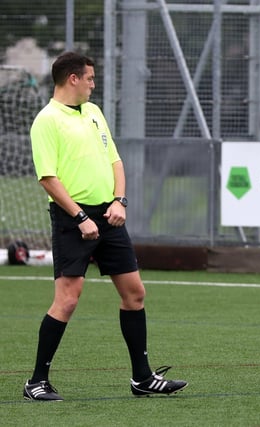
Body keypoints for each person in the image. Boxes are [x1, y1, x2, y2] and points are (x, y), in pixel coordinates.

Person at [24, 52, 188, 401]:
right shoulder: (47, 120)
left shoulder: (94, 112)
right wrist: (80, 218)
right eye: (90, 78)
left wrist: (120, 201)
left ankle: (142, 378)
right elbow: (48, 178)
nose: (93, 84)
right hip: (73, 220)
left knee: (135, 293)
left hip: (110, 216)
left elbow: (114, 160)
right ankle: (36, 381)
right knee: (67, 300)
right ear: (72, 78)